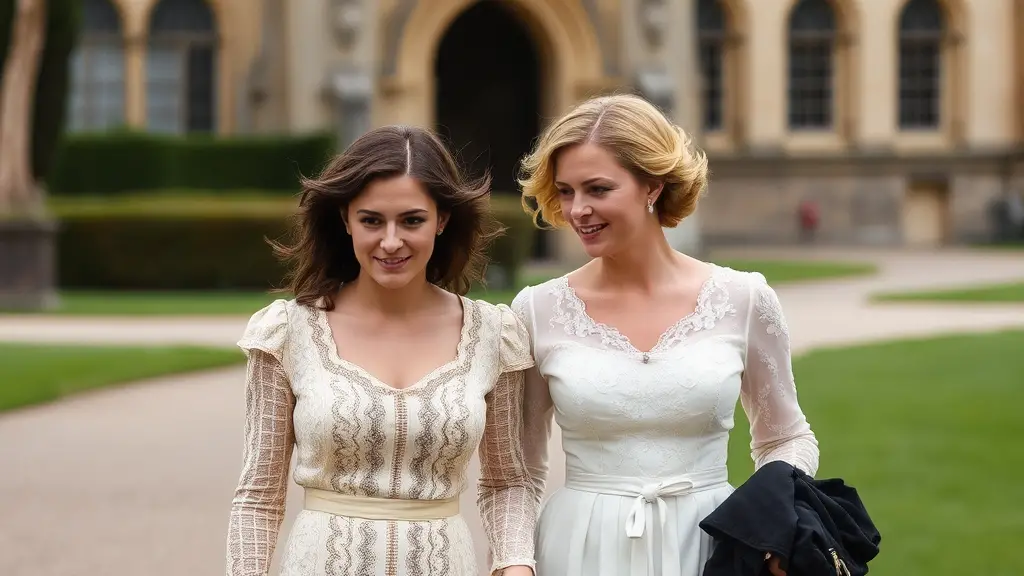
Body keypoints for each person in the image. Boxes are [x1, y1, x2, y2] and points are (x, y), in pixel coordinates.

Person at [513, 94, 820, 576]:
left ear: (651, 186)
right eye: (567, 191)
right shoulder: (536, 309)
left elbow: (786, 437)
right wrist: (515, 563)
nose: (577, 210)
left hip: (710, 546)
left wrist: (773, 522)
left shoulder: (744, 299)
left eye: (597, 189)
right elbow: (519, 470)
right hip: (579, 549)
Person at [225, 125, 538, 576]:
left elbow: (508, 482)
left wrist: (515, 565)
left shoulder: (494, 334)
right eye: (372, 220)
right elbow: (257, 496)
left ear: (442, 220)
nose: (391, 242)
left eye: (412, 220)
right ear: (346, 219)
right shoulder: (287, 331)